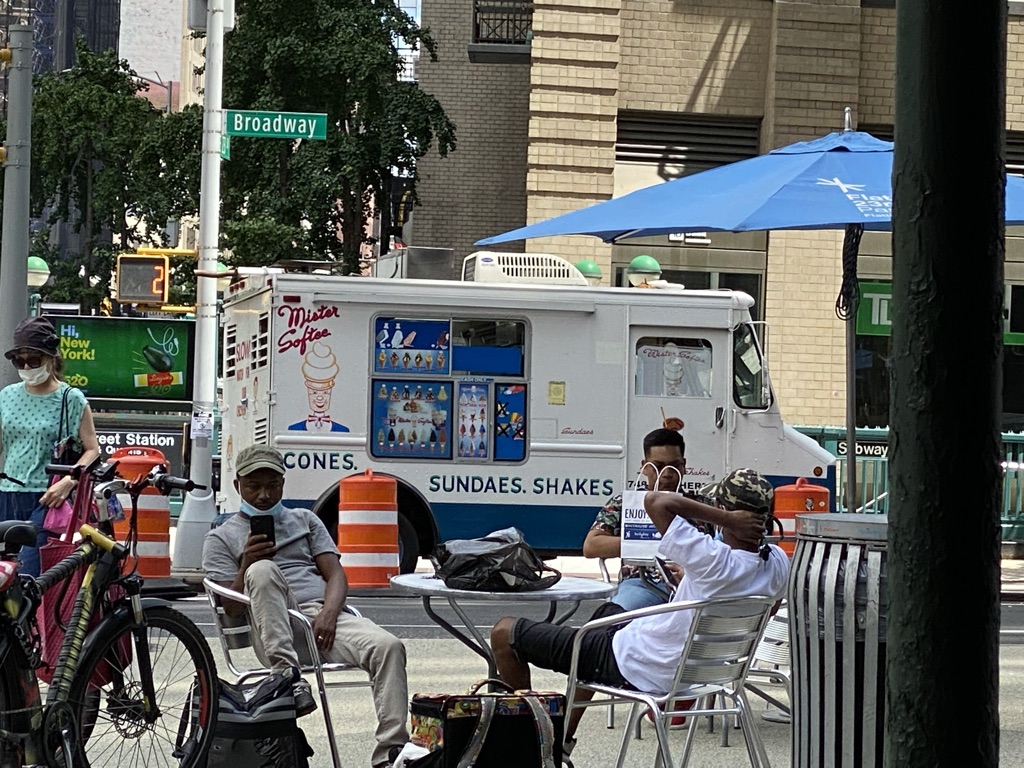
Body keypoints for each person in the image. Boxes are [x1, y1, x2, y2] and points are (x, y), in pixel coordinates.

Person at [491, 467, 788, 754]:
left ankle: (537, 750)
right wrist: (694, 581)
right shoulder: (776, 562)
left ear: (728, 512)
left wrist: (727, 518)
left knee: (504, 632)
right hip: (698, 674)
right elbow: (763, 605)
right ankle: (563, 740)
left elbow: (655, 501)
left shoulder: (711, 558)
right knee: (606, 614)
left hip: (639, 664)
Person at [202, 445, 409, 768]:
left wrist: (328, 613)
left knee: (389, 647)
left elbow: (336, 574)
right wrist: (247, 564)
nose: (263, 495)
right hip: (271, 626)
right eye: (254, 486)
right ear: (237, 486)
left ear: (283, 483)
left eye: (272, 485)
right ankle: (287, 677)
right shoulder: (221, 537)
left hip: (321, 620)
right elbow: (229, 608)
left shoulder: (305, 520)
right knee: (263, 570)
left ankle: (391, 753)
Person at [0, 316, 100, 577]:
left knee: (28, 574)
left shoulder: (70, 398)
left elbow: (92, 449)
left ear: (51, 358)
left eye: (33, 359)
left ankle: (38, 619)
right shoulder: (7, 396)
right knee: (5, 578)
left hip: (47, 498)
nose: (26, 366)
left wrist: (69, 480)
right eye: (18, 360)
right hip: (7, 493)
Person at [582, 423, 689, 611]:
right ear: (644, 468)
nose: (667, 474)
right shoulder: (625, 503)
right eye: (658, 466)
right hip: (641, 583)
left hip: (694, 586)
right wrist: (647, 543)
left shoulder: (702, 505)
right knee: (618, 616)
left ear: (684, 466)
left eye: (674, 466)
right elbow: (591, 546)